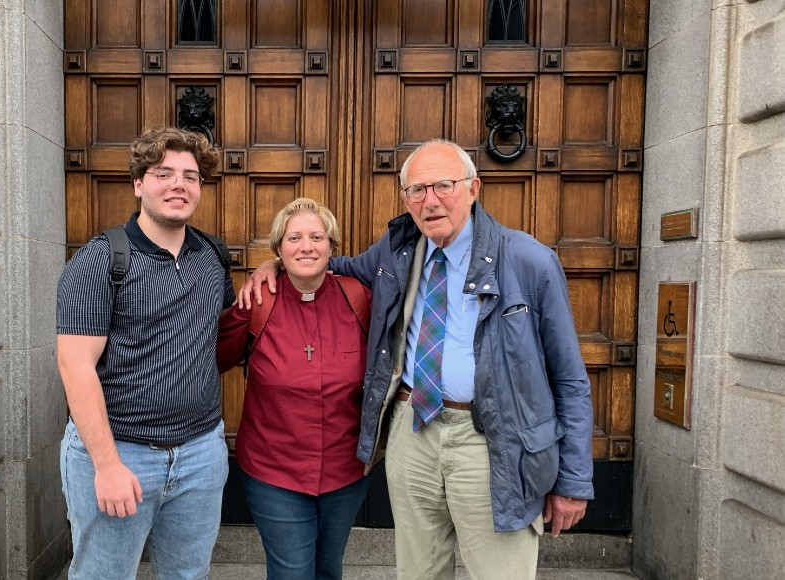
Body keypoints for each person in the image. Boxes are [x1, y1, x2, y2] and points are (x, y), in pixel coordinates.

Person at [243, 139, 594, 579]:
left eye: (443, 186)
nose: (430, 201)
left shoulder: (528, 261)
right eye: (416, 191)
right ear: (405, 199)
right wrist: (274, 265)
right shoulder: (398, 251)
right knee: (419, 572)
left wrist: (573, 482)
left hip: (492, 441)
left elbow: (570, 378)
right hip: (414, 431)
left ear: (473, 188)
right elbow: (329, 264)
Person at [56, 127, 234, 579]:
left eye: (190, 176)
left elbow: (227, 332)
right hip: (121, 453)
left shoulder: (212, 256)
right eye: (164, 173)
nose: (179, 184)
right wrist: (107, 464)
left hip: (199, 455)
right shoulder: (99, 260)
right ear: (139, 184)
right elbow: (76, 366)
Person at [217, 197, 372, 580]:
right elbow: (210, 360)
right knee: (292, 573)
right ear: (278, 249)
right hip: (275, 470)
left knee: (328, 569)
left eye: (317, 237)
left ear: (332, 248)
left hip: (345, 469)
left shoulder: (360, 298)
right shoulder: (257, 300)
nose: (306, 246)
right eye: (294, 238)